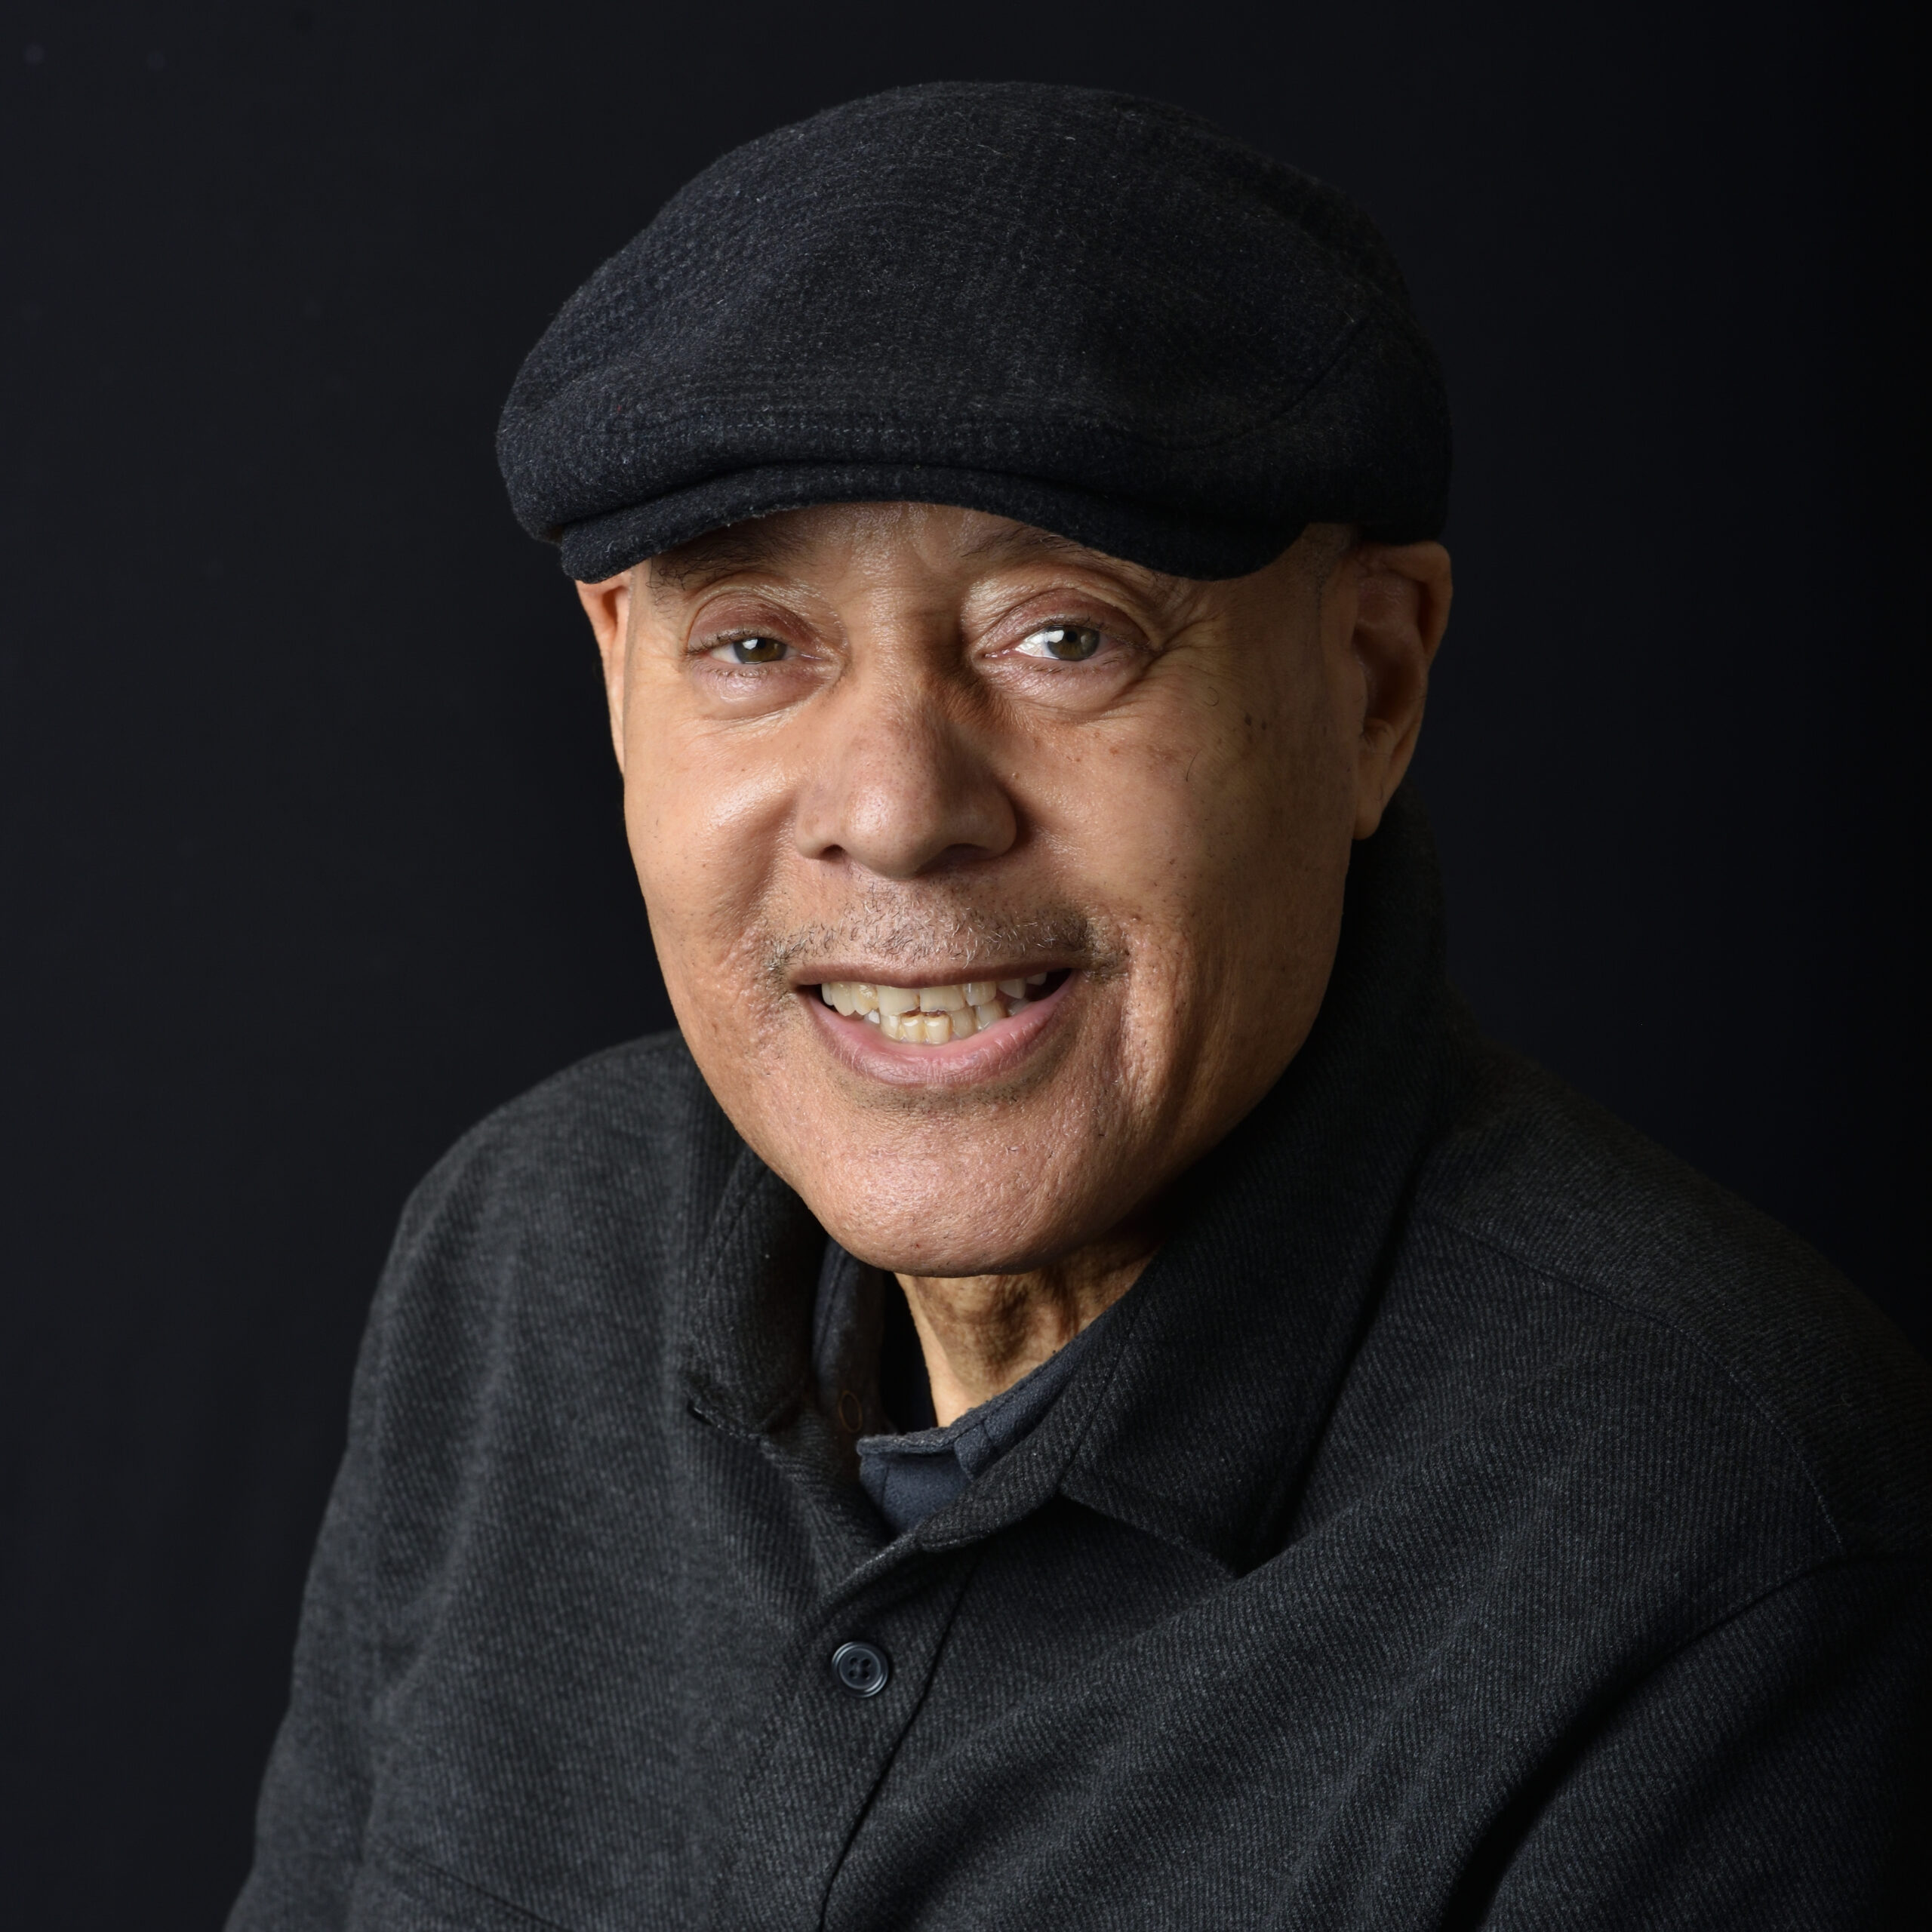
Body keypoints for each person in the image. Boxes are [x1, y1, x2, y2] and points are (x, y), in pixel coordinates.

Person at [229, 83, 1928, 1930]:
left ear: (1369, 684)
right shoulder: (517, 1256)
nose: (897, 808)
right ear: (620, 677)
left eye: (1062, 635)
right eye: (755, 644)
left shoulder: (1723, 1545)